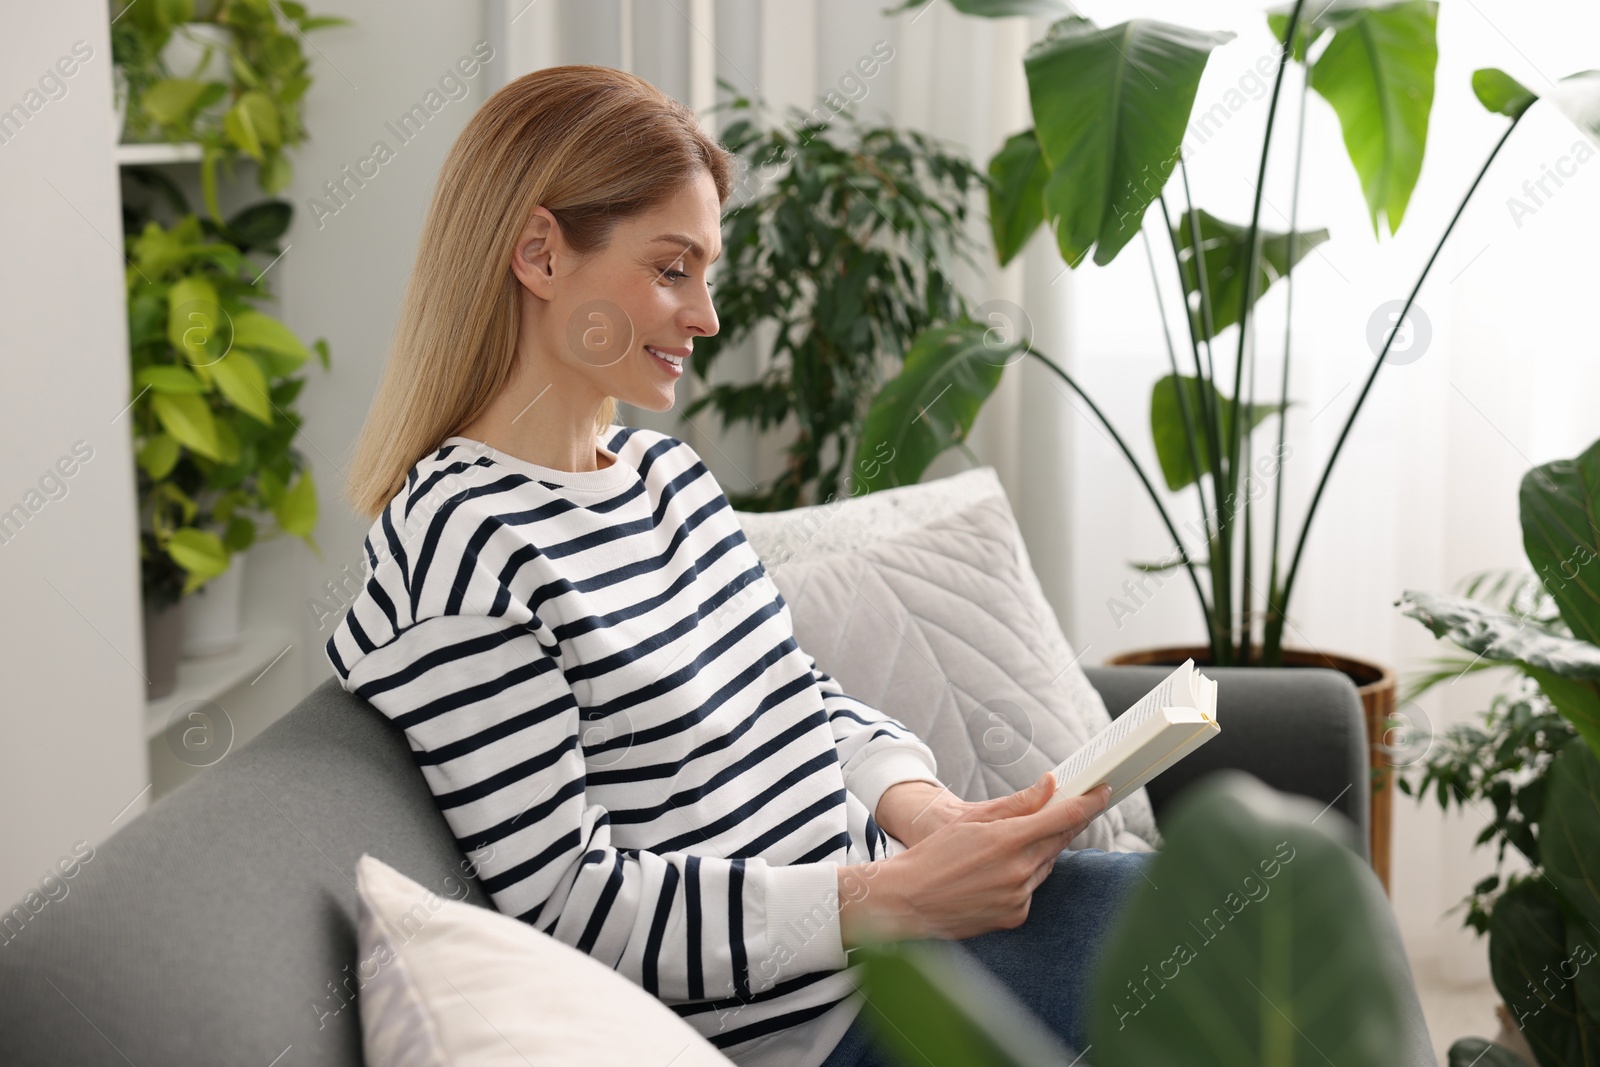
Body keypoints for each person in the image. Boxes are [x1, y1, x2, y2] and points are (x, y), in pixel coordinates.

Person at [327, 64, 1153, 1067]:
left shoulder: (662, 475)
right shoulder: (462, 544)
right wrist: (890, 898)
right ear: (539, 252)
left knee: (1258, 903)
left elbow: (795, 692)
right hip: (827, 1028)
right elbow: (572, 903)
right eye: (673, 269)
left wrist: (926, 813)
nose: (706, 316)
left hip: (905, 940)